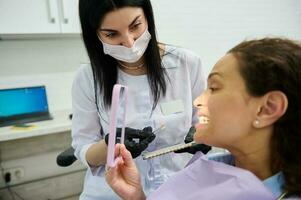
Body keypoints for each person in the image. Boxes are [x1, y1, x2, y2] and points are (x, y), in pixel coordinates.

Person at [105, 38, 301, 199]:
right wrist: (137, 197)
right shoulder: (208, 168)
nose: (197, 101)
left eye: (214, 88)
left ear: (267, 108)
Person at [71, 0, 210, 199]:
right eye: (111, 34)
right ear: (95, 34)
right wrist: (111, 146)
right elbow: (82, 147)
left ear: (147, 17)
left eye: (135, 26)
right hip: (112, 191)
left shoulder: (186, 64)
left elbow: (204, 119)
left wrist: (202, 136)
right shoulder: (87, 78)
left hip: (181, 185)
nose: (129, 42)